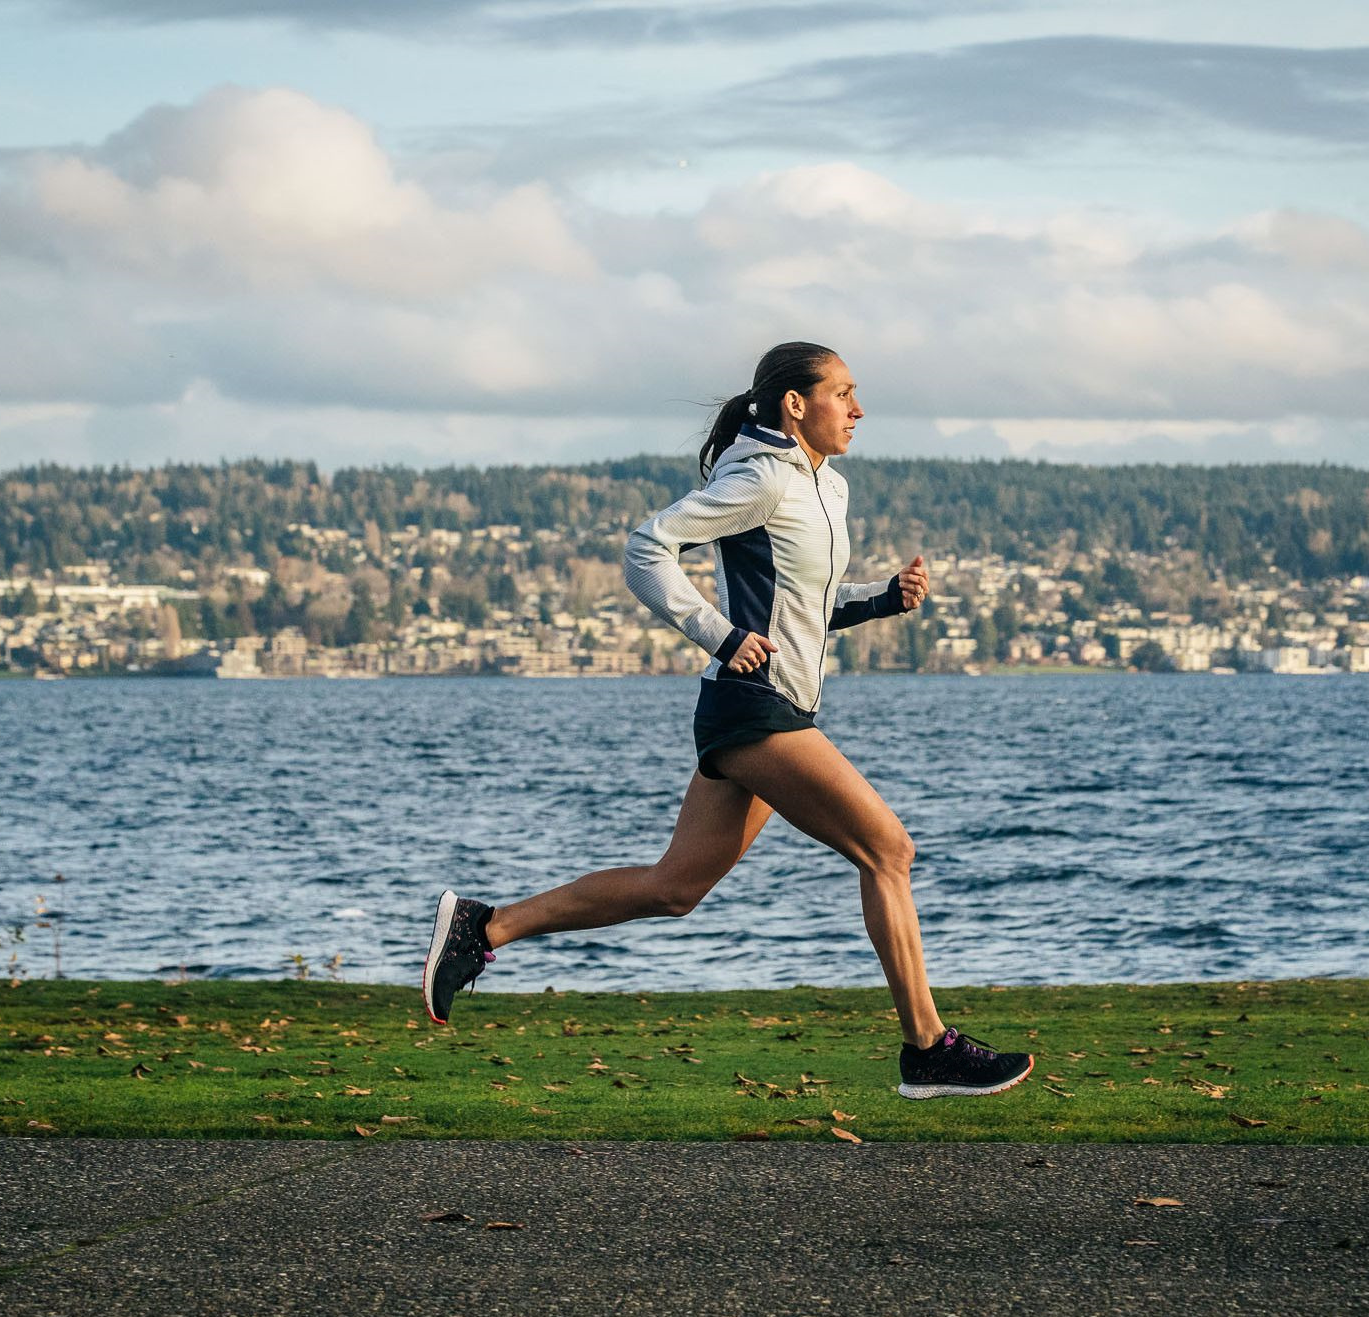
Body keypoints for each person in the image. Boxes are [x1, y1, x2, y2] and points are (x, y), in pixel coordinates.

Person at [423, 342, 1033, 1099]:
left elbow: (803, 605)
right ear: (795, 404)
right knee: (888, 851)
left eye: (856, 394)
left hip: (769, 709)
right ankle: (927, 1048)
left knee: (675, 887)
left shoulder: (826, 488)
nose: (859, 408)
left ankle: (484, 929)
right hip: (756, 711)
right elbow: (649, 547)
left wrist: (883, 599)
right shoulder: (759, 478)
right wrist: (718, 633)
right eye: (844, 393)